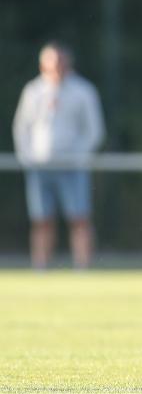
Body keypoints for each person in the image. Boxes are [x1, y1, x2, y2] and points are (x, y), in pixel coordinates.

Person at [12, 42, 105, 270]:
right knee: (42, 220)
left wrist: (79, 156)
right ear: (42, 64)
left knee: (79, 219)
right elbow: (21, 127)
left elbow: (94, 130)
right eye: (52, 62)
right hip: (40, 166)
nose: (57, 67)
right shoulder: (33, 91)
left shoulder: (83, 91)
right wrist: (28, 157)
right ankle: (41, 268)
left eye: (61, 62)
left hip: (72, 166)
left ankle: (82, 268)